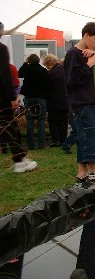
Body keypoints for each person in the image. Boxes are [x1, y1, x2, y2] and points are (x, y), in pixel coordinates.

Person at [64, 22, 95, 187]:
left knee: (88, 135)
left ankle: (84, 171)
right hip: (81, 102)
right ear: (86, 35)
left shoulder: (89, 53)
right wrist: (88, 65)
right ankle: (89, 171)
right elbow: (72, 80)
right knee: (89, 135)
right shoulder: (73, 54)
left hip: (90, 101)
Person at [0, 21, 37, 172]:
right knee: (10, 127)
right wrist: (12, 97)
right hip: (1, 99)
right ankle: (20, 159)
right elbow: (4, 74)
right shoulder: (1, 49)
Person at [18, 53, 50, 150]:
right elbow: (47, 84)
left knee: (29, 120)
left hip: (29, 98)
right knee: (41, 121)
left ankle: (31, 145)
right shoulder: (44, 71)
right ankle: (41, 144)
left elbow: (19, 73)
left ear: (29, 61)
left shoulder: (26, 69)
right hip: (41, 98)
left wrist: (25, 63)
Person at [43, 54, 69, 147]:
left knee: (53, 121)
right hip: (65, 100)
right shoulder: (64, 70)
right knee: (63, 121)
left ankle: (56, 140)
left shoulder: (50, 73)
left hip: (54, 101)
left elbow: (47, 88)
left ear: (48, 63)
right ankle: (63, 139)